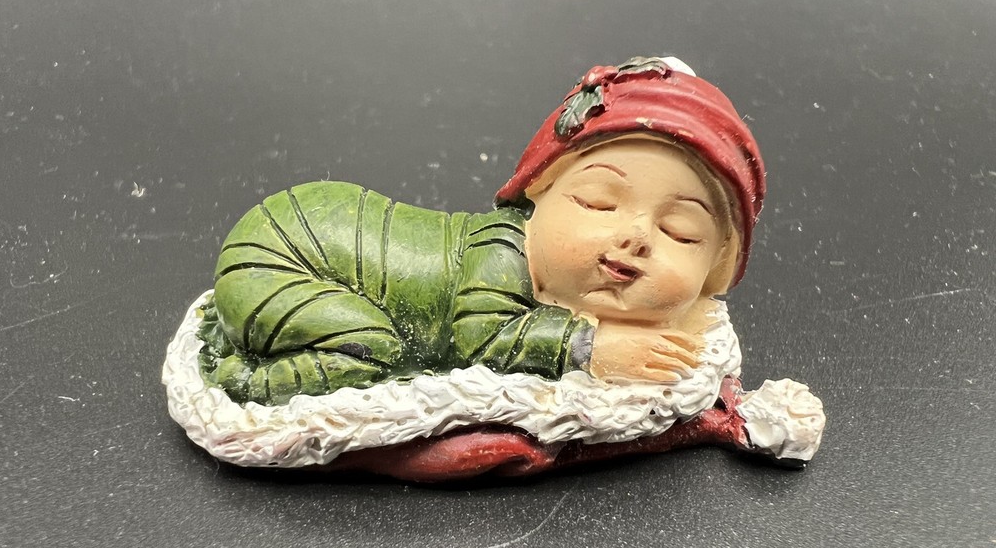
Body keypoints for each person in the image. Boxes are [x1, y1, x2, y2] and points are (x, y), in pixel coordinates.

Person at [196, 56, 764, 406]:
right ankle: (242, 381)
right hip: (281, 259)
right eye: (598, 202)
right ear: (538, 189)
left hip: (309, 231)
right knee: (372, 350)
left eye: (680, 232)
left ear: (718, 264)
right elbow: (480, 337)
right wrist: (590, 346)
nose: (637, 236)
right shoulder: (500, 254)